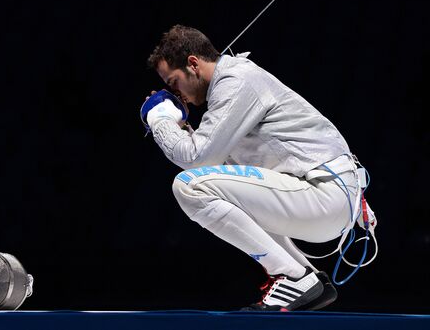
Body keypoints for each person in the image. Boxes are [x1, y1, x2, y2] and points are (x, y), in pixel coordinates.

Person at [144, 24, 374, 311]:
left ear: (193, 64)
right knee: (221, 188)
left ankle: (291, 275)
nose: (175, 93)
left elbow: (194, 160)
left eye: (173, 82)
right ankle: (310, 282)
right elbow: (215, 164)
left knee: (188, 185)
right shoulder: (232, 86)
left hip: (323, 194)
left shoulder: (236, 80)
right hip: (324, 195)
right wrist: (181, 127)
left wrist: (160, 120)